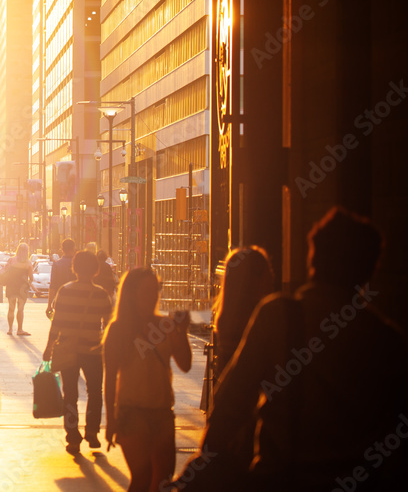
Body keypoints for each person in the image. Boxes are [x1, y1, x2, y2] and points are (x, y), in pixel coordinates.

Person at [179, 207, 408, 490]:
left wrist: (211, 457)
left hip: (281, 478)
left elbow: (232, 400)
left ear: (313, 257)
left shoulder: (279, 316)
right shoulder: (386, 339)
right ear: (369, 270)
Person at [104, 267, 191, 492]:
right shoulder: (118, 329)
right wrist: (111, 420)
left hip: (162, 412)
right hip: (131, 413)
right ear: (132, 294)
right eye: (147, 291)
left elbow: (185, 364)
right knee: (142, 477)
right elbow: (110, 376)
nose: (153, 295)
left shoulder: (166, 325)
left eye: (156, 290)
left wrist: (182, 331)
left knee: (162, 479)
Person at [43, 250, 113, 455]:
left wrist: (49, 347)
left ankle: (72, 437)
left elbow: (57, 323)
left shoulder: (64, 291)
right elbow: (108, 326)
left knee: (70, 394)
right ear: (96, 270)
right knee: (95, 391)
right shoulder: (102, 294)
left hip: (68, 349)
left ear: (74, 268)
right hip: (93, 350)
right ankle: (92, 431)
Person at [211, 246, 274, 381]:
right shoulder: (257, 321)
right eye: (267, 271)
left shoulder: (226, 320)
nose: (272, 277)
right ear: (253, 280)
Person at [1, 243, 34, 335]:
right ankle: (19, 330)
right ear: (27, 251)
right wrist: (28, 283)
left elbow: (5, 270)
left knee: (11, 308)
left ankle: (10, 329)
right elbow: (31, 278)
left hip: (11, 287)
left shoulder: (11, 260)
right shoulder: (28, 263)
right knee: (20, 309)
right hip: (22, 289)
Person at [47, 238, 77, 316]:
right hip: (76, 302)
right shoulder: (78, 264)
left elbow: (53, 285)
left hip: (60, 301)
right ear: (74, 249)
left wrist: (49, 305)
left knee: (60, 324)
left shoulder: (57, 265)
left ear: (62, 249)